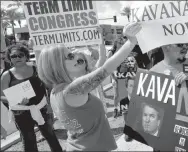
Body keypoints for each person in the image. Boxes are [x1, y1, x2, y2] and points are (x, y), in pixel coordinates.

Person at [37, 23, 142, 151]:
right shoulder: (72, 89)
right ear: (57, 65)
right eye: (70, 56)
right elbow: (106, 68)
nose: (76, 56)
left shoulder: (55, 92)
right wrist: (131, 42)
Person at [0, 44, 62, 152]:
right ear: (10, 58)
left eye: (21, 55)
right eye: (14, 56)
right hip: (21, 113)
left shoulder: (36, 69)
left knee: (51, 136)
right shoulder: (6, 75)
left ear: (26, 56)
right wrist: (17, 101)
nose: (18, 58)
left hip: (42, 108)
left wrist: (50, 105)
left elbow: (49, 87)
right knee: (29, 141)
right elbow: (2, 96)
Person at [107, 36, 128, 118]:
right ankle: (115, 110)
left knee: (123, 94)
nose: (121, 44)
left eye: (122, 43)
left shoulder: (124, 52)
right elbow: (108, 67)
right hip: (115, 76)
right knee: (116, 95)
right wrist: (113, 77)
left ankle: (123, 110)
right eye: (119, 42)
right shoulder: (111, 52)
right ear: (115, 43)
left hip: (123, 76)